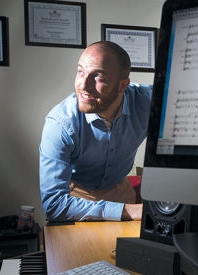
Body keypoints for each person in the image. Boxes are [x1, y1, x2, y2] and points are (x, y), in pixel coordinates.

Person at [39, 41, 149, 221]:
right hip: (75, 200)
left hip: (121, 192)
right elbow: (54, 205)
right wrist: (131, 210)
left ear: (122, 86)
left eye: (98, 76)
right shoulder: (60, 123)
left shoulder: (149, 102)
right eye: (80, 71)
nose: (83, 85)